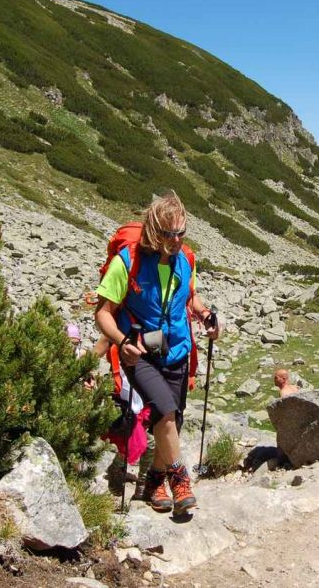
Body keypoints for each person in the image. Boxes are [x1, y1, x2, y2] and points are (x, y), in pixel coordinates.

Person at [94, 191, 218, 515]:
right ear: (153, 230)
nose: (176, 240)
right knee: (164, 411)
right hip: (139, 351)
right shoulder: (128, 261)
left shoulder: (186, 259)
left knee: (174, 419)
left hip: (175, 348)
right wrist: (122, 341)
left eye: (181, 233)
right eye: (168, 234)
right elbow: (103, 313)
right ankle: (180, 480)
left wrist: (205, 315)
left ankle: (154, 483)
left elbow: (189, 297)